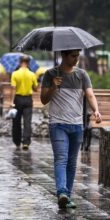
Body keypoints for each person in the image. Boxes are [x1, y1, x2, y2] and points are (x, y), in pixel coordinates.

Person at [40, 49, 102, 209]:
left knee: (72, 163)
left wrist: (95, 109)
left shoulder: (82, 75)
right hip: (58, 125)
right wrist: (53, 86)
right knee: (61, 159)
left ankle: (66, 196)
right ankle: (61, 192)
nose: (76, 59)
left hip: (77, 126)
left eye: (77, 56)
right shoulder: (50, 74)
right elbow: (43, 99)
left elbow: (90, 95)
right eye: (73, 56)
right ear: (64, 55)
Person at [10, 56, 38, 150]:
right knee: (27, 121)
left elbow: (13, 88)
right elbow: (35, 88)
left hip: (18, 99)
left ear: (20, 62)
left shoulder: (15, 74)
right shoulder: (32, 74)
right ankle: (26, 142)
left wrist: (11, 101)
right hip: (28, 100)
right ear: (28, 63)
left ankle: (17, 141)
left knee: (16, 121)